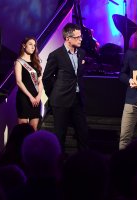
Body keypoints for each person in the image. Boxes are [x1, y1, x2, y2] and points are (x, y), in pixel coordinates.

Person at [43, 23, 89, 152]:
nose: (81, 39)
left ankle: (83, 162)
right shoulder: (56, 55)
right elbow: (46, 78)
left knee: (83, 132)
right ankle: (59, 163)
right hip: (61, 100)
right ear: (68, 38)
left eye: (81, 36)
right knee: (60, 135)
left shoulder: (81, 53)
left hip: (77, 99)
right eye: (77, 37)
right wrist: (52, 95)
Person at [14, 37, 43, 131]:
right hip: (24, 98)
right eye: (30, 44)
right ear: (24, 45)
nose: (33, 47)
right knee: (23, 129)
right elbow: (19, 82)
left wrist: (39, 96)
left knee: (34, 129)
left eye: (34, 45)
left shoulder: (36, 62)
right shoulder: (19, 62)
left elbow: (40, 81)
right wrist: (30, 97)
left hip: (36, 99)